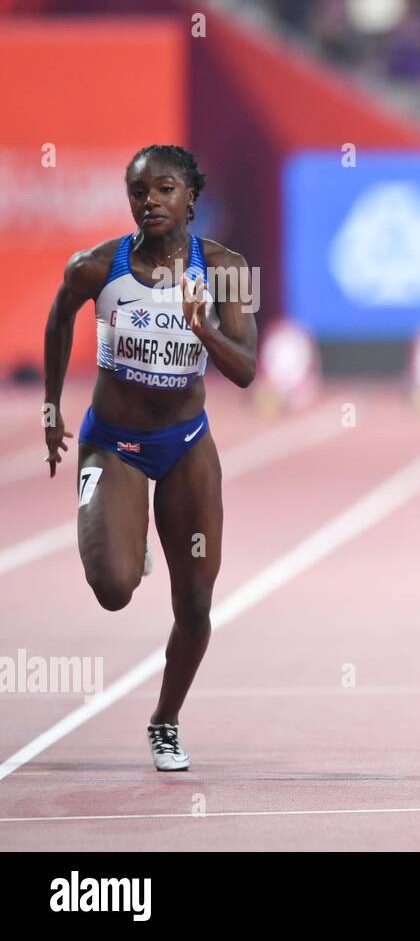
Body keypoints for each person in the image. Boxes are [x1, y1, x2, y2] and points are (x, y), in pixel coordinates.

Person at [43, 145, 258, 769]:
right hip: (114, 443)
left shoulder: (224, 270)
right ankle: (123, 531)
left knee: (194, 604)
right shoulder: (94, 267)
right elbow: (59, 320)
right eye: (139, 192)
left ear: (191, 197)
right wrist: (52, 406)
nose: (151, 202)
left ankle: (165, 720)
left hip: (186, 443)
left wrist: (205, 329)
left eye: (165, 190)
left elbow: (245, 372)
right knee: (113, 589)